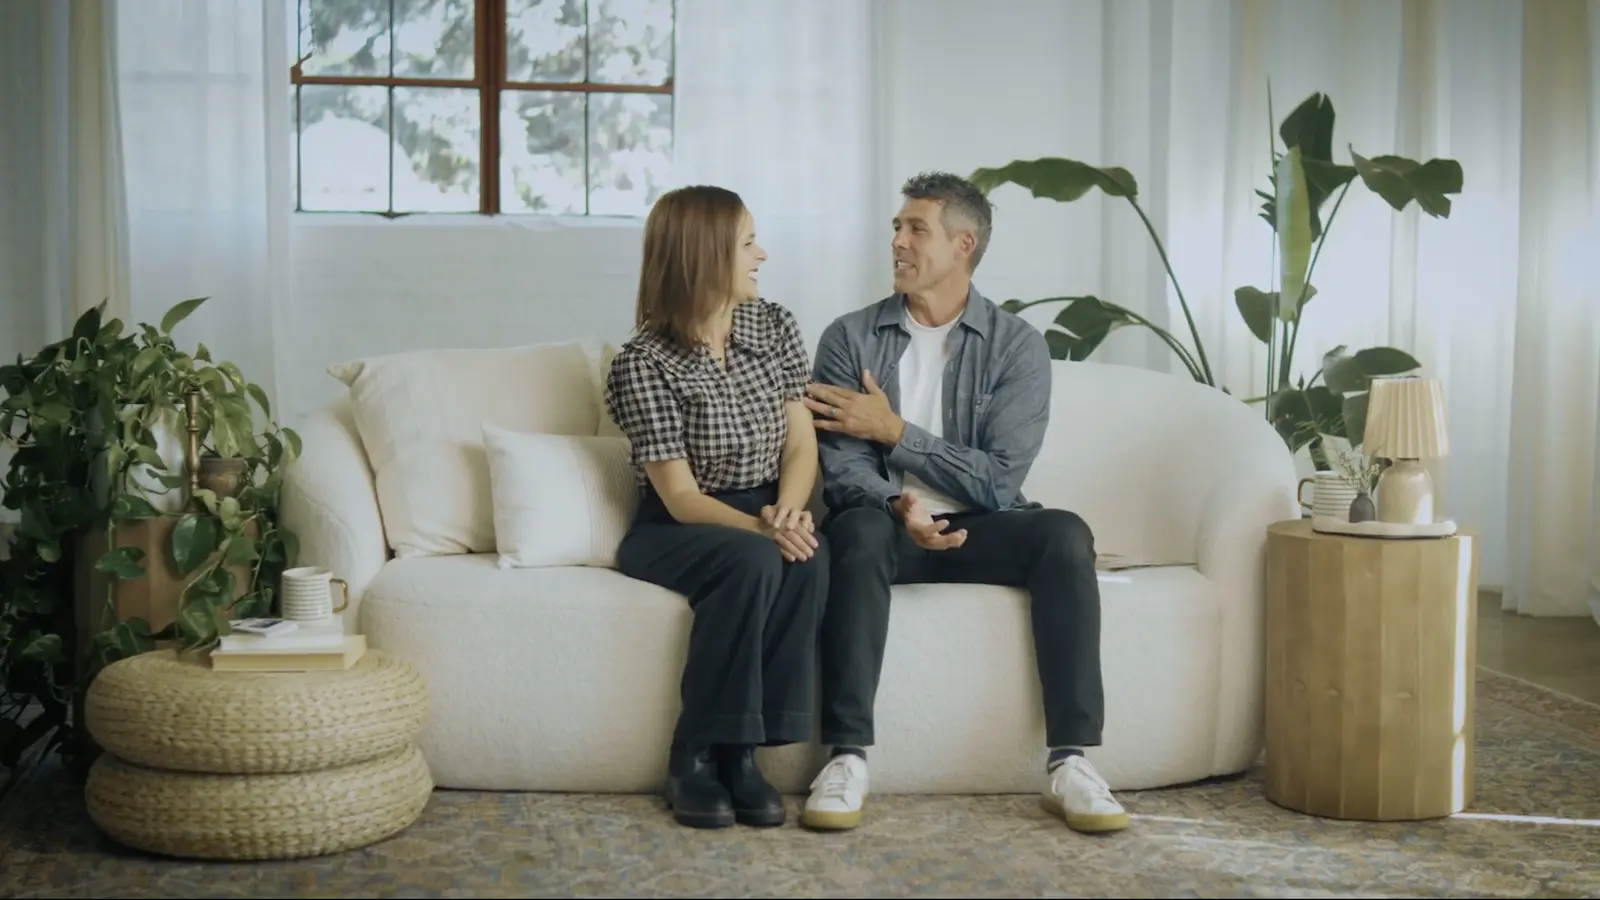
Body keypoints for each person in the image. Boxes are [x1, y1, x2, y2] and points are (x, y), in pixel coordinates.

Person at [798, 171, 1128, 835]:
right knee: (854, 530)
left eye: (915, 229)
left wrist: (896, 431)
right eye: (897, 227)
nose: (897, 241)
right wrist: (900, 505)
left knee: (1065, 534)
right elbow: (842, 468)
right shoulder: (849, 338)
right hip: (886, 523)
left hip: (985, 527)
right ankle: (847, 756)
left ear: (963, 245)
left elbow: (1000, 481)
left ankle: (1071, 760)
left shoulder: (1016, 347)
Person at [604, 185, 829, 830]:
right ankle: (695, 753)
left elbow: (801, 443)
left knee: (810, 556)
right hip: (678, 524)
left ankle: (743, 754)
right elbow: (680, 497)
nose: (763, 254)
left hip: (766, 506)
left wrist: (788, 514)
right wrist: (763, 530)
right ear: (704, 256)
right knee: (754, 560)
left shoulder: (774, 325)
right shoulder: (644, 362)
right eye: (748, 243)